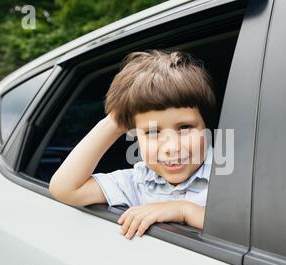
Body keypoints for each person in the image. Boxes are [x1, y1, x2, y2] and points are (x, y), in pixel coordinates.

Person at [49, 49, 216, 240]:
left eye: (185, 127)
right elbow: (65, 189)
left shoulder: (232, 176)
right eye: (153, 132)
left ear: (207, 126)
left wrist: (184, 211)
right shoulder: (139, 181)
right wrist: (114, 122)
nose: (171, 147)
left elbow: (252, 232)